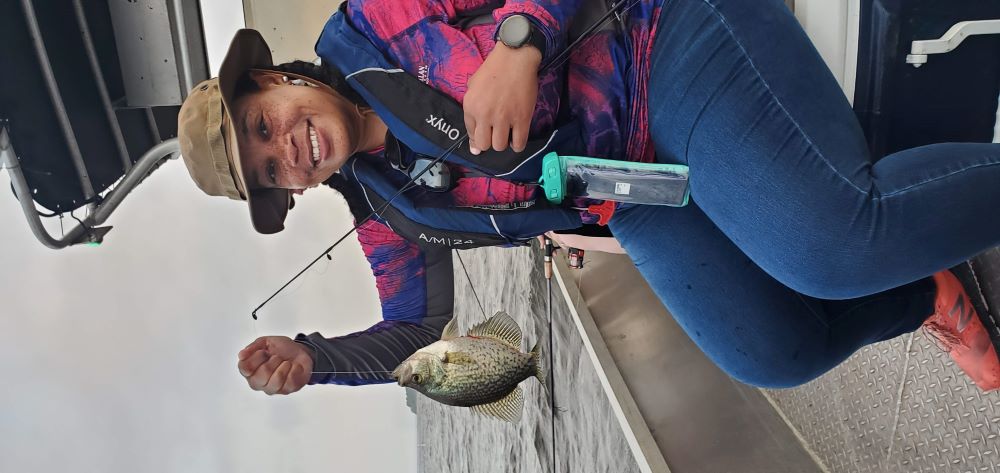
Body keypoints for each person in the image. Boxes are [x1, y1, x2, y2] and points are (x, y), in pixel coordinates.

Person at [176, 0, 1000, 396]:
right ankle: (924, 294)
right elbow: (417, 334)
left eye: (262, 126)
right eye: (270, 172)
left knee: (829, 245)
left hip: (657, 42)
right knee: (773, 353)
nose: (285, 151)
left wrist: (521, 37)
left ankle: (887, 242)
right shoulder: (385, 211)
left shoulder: (374, 21)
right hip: (633, 192)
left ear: (274, 79)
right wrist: (316, 358)